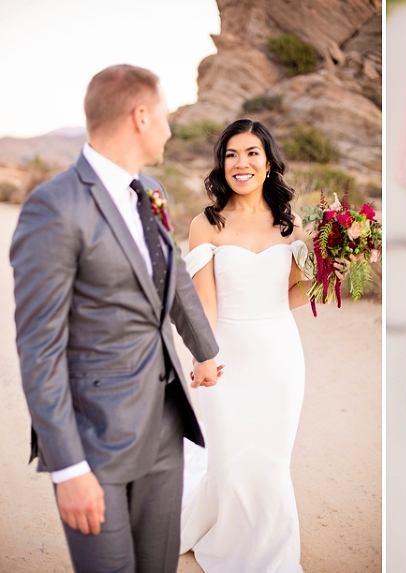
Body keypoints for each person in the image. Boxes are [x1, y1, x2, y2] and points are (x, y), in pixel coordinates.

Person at [10, 64, 222, 573]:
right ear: (140, 117)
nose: (169, 129)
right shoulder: (53, 207)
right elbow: (39, 349)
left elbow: (173, 281)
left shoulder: (150, 190)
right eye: (165, 116)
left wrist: (206, 351)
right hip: (96, 439)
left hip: (165, 429)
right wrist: (69, 469)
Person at [179, 119, 314, 572]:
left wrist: (329, 273)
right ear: (222, 164)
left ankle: (271, 553)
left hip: (279, 355)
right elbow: (205, 302)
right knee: (231, 458)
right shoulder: (206, 224)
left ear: (269, 162)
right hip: (227, 354)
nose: (242, 163)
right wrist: (204, 355)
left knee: (271, 460)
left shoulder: (292, 225)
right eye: (231, 154)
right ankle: (224, 537)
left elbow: (294, 293)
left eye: (252, 153)